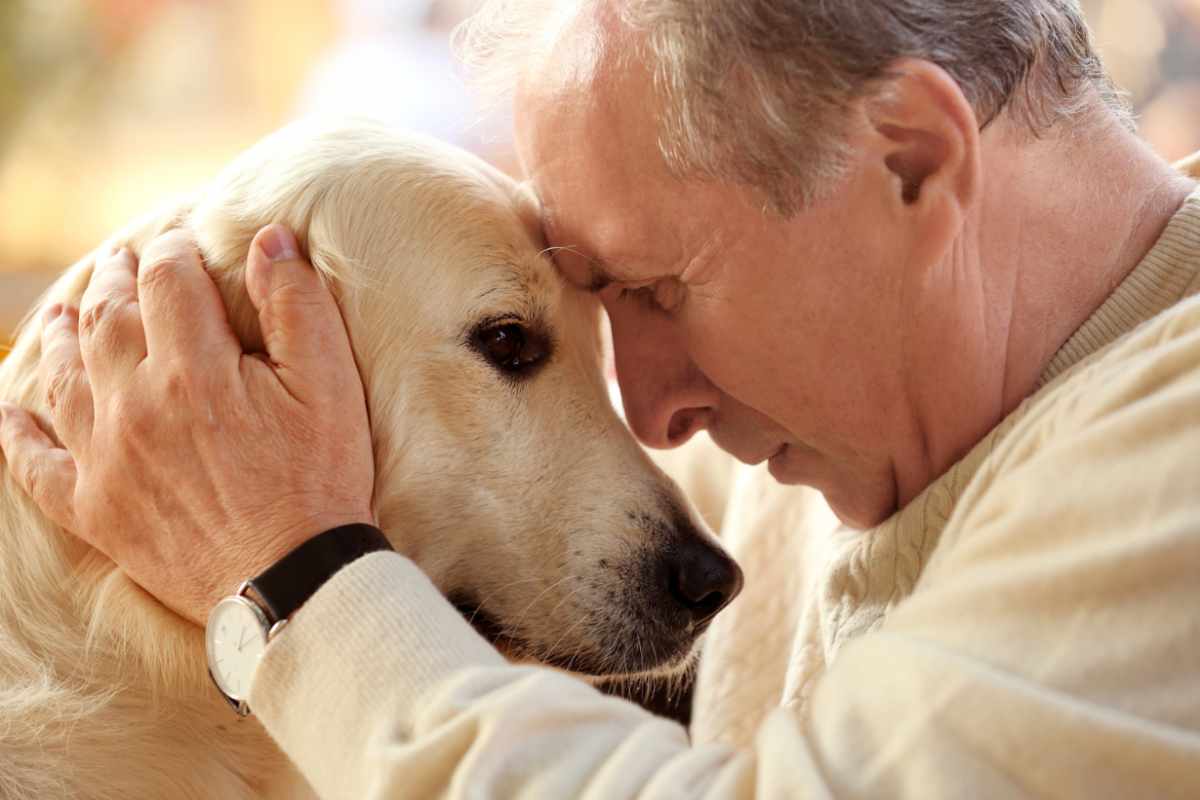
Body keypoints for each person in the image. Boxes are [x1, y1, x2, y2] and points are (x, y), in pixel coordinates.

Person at [2, 0, 1200, 796]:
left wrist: (289, 576)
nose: (656, 407)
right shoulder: (845, 431)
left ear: (912, 163)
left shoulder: (1173, 448)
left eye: (661, 288)